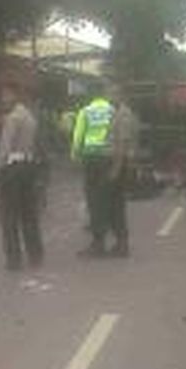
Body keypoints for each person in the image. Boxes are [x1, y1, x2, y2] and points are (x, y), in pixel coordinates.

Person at [0, 82, 44, 271]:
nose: (2, 100)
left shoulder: (12, 118)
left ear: (12, 95)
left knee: (9, 216)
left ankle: (14, 259)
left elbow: (4, 150)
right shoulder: (29, 117)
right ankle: (36, 254)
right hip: (29, 167)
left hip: (13, 170)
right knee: (29, 214)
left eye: (4, 95)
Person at [72, 82, 116, 257]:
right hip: (107, 158)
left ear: (91, 96)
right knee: (103, 198)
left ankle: (97, 244)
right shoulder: (112, 111)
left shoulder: (86, 111)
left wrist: (75, 155)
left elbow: (78, 135)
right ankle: (103, 239)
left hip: (90, 159)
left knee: (92, 199)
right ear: (104, 95)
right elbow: (116, 133)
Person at [107, 86, 140, 257]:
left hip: (120, 163)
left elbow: (122, 144)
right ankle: (120, 243)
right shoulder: (119, 113)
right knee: (114, 205)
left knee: (116, 206)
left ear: (121, 95)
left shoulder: (124, 115)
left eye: (111, 92)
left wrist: (116, 169)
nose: (108, 95)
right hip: (121, 163)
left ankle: (122, 244)